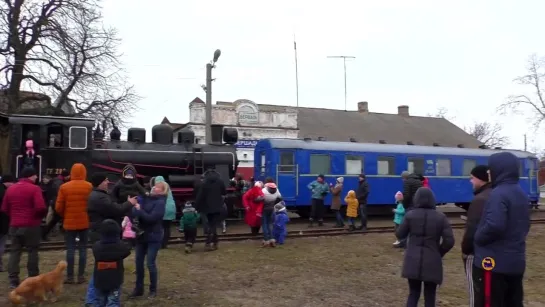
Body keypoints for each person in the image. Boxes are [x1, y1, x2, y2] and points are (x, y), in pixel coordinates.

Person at [473, 152, 530, 307]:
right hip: (515, 262)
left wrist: (478, 238)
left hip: (493, 263)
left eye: (491, 168)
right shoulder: (520, 193)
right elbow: (525, 225)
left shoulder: (498, 194)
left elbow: (494, 225)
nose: (489, 172)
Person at [396, 187, 455, 307]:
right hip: (432, 260)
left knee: (413, 293)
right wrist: (439, 252)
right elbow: (449, 241)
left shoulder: (410, 215)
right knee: (430, 295)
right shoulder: (441, 217)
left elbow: (399, 234)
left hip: (412, 259)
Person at [85, 172, 137, 306]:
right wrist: (129, 203)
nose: (108, 182)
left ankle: (95, 299)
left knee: (101, 268)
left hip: (101, 234)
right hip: (104, 235)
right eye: (106, 180)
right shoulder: (100, 198)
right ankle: (97, 300)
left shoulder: (98, 195)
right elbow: (116, 210)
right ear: (100, 182)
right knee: (106, 268)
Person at [1, 167, 47, 289]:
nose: (37, 178)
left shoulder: (10, 189)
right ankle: (32, 277)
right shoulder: (35, 189)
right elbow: (41, 207)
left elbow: (4, 208)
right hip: (31, 225)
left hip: (14, 225)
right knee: (32, 251)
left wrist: (14, 216)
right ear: (30, 176)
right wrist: (38, 218)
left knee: (14, 252)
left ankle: (13, 280)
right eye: (35, 175)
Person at [55, 163, 93, 284]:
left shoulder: (64, 187)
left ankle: (70, 277)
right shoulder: (89, 186)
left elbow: (58, 207)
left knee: (70, 249)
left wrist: (65, 216)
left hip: (69, 223)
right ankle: (81, 276)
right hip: (84, 222)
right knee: (83, 249)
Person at [129, 180, 167, 299]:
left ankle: (153, 290)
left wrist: (140, 210)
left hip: (153, 236)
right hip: (141, 235)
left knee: (150, 263)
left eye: (157, 187)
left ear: (162, 191)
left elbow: (151, 218)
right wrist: (136, 208)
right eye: (154, 186)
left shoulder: (160, 203)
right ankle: (138, 289)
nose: (153, 188)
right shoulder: (144, 198)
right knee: (138, 263)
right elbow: (134, 212)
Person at [460, 165, 491, 307]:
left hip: (476, 254)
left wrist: (465, 251)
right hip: (493, 254)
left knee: (477, 293)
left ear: (481, 179)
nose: (471, 181)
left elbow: (472, 230)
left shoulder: (479, 200)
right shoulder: (496, 195)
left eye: (472, 178)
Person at [92, 219, 131, 307]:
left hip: (100, 280)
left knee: (100, 301)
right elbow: (127, 250)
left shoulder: (96, 246)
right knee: (113, 302)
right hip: (115, 280)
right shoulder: (121, 247)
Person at [195, 170, 226, 251]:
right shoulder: (220, 182)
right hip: (218, 207)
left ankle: (208, 243)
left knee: (211, 225)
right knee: (213, 225)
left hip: (207, 208)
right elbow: (224, 192)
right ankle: (214, 243)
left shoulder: (204, 183)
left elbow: (200, 196)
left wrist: (196, 207)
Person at [42, 170, 70, 241]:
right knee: (58, 219)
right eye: (69, 176)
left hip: (54, 202)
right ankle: (44, 233)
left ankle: (44, 233)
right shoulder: (59, 182)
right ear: (65, 176)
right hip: (57, 202)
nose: (69, 177)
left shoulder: (56, 180)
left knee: (55, 219)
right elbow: (60, 194)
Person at [153, 176, 176, 249]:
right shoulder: (167, 186)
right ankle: (165, 243)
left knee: (160, 227)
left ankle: (160, 243)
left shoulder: (157, 187)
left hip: (162, 208)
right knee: (167, 227)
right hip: (171, 208)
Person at [0, 175, 15, 272]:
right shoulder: (5, 193)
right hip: (2, 222)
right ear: (7, 182)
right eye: (12, 182)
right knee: (1, 244)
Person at [262, 182, 282, 247]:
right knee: (270, 224)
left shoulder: (264, 191)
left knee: (264, 224)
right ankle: (272, 240)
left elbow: (259, 199)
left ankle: (266, 240)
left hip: (264, 208)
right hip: (271, 208)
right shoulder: (276, 191)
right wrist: (274, 203)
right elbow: (280, 198)